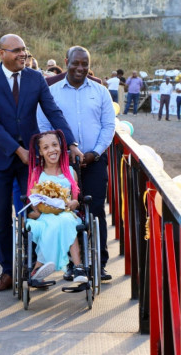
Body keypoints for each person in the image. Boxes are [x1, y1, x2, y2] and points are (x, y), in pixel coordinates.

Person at [0, 34, 82, 292]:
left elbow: (53, 111)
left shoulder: (35, 79)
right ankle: (8, 272)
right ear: (2, 53)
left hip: (30, 161)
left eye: (24, 50)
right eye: (16, 51)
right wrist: (16, 150)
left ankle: (35, 268)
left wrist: (71, 143)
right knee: (1, 218)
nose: (22, 55)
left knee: (36, 210)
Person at [38, 45, 116, 282]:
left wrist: (95, 153)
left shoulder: (101, 92)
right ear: (66, 62)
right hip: (62, 165)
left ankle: (99, 263)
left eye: (85, 64)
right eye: (76, 63)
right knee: (67, 212)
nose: (80, 68)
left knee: (95, 211)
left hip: (94, 161)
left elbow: (108, 126)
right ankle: (75, 264)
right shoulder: (52, 91)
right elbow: (44, 126)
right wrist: (60, 154)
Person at [25, 130, 87, 283]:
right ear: (40, 152)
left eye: (54, 145)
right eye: (46, 148)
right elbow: (32, 199)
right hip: (44, 215)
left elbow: (75, 199)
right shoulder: (37, 173)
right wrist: (41, 208)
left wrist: (74, 202)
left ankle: (77, 267)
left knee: (66, 221)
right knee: (51, 224)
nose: (51, 150)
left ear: (61, 146)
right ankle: (39, 268)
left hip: (66, 213)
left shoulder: (70, 172)